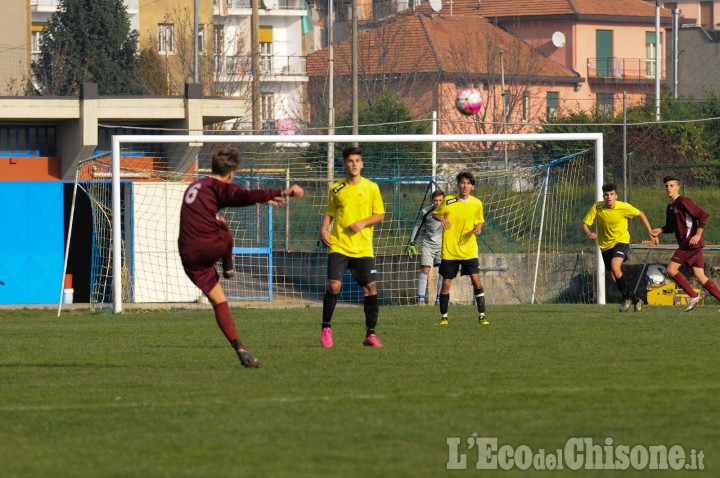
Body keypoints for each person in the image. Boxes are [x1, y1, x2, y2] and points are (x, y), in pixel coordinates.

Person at [178, 147, 304, 367]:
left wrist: (263, 199)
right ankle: (228, 263)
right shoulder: (217, 186)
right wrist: (280, 192)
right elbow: (242, 195)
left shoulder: (194, 185)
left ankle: (241, 348)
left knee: (219, 301)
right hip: (209, 245)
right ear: (232, 173)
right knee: (224, 227)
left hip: (188, 254)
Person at [319, 146, 385, 348]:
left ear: (362, 164)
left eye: (357, 160)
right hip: (339, 244)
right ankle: (326, 328)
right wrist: (323, 229)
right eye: (350, 161)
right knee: (334, 285)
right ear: (344, 164)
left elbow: (380, 215)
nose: (354, 164)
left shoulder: (372, 187)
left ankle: (370, 334)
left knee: (371, 288)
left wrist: (363, 223)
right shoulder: (336, 188)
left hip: (363, 247)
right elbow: (330, 212)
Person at [582, 182, 658, 312]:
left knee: (615, 268)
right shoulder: (597, 207)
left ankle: (628, 299)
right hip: (605, 245)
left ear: (616, 195)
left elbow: (641, 214)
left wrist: (650, 232)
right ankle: (633, 299)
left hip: (621, 241)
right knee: (613, 275)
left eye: (612, 194)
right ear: (603, 196)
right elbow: (585, 224)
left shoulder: (624, 207)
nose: (609, 197)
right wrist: (589, 233)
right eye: (606, 195)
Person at [650, 175, 720, 312]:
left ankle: (694, 296)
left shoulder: (683, 201)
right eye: (666, 186)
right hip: (689, 245)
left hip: (690, 244)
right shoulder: (670, 206)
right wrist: (660, 230)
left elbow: (703, 215)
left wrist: (698, 235)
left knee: (671, 269)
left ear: (678, 187)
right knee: (700, 276)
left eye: (671, 185)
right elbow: (671, 227)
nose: (669, 188)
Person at [432, 172, 487, 325]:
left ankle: (482, 316)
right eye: (462, 182)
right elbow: (435, 214)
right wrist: (442, 219)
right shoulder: (449, 200)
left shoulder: (477, 203)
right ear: (458, 185)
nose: (465, 185)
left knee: (476, 280)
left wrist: (479, 228)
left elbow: (480, 220)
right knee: (446, 283)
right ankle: (444, 317)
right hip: (450, 250)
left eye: (468, 183)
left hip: (469, 249)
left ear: (472, 187)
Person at [407, 189, 445, 305]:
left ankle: (439, 299)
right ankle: (421, 300)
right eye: (435, 200)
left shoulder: (449, 211)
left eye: (440, 200)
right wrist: (412, 243)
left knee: (443, 272)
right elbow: (417, 226)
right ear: (432, 201)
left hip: (443, 245)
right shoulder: (425, 212)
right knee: (425, 270)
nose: (438, 203)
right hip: (427, 245)